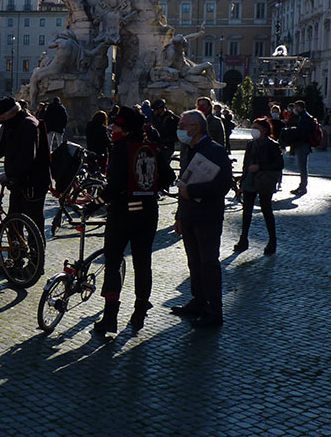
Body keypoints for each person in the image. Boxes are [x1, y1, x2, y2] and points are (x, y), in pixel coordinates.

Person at [84, 106, 168, 335]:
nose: (112, 129)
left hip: (122, 213)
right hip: (148, 212)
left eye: (116, 125)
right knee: (142, 263)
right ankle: (140, 311)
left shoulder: (121, 148)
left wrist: (94, 204)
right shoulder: (152, 147)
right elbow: (169, 177)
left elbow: (115, 186)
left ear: (126, 128)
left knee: (112, 261)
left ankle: (110, 316)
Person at [170, 109, 233, 328]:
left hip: (207, 216)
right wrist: (179, 215)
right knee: (194, 262)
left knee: (208, 264)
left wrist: (194, 192)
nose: (180, 130)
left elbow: (224, 184)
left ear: (196, 128)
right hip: (189, 215)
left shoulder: (215, 151)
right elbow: (182, 185)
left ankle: (214, 311)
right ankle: (198, 301)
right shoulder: (188, 149)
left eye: (183, 126)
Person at [0, 97, 50, 234]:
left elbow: (27, 157)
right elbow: (2, 147)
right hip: (19, 182)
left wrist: (8, 174)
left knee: (34, 226)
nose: (0, 121)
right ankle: (15, 253)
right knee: (13, 223)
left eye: (2, 118)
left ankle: (36, 254)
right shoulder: (13, 123)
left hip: (34, 183)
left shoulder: (28, 125)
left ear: (12, 113)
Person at [234, 117, 283, 256]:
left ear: (264, 130)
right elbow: (246, 164)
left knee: (267, 211)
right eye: (253, 127)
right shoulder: (251, 144)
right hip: (250, 181)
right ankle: (243, 240)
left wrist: (260, 167)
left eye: (257, 128)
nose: (253, 130)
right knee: (246, 211)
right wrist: (242, 183)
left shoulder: (272, 145)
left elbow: (279, 164)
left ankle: (272, 241)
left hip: (264, 181)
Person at [289, 99, 314, 196]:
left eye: (296, 107)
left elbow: (303, 133)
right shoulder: (303, 116)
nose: (295, 109)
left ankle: (303, 187)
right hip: (303, 144)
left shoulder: (304, 117)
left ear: (300, 107)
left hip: (303, 144)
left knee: (302, 166)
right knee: (302, 166)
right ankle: (302, 186)